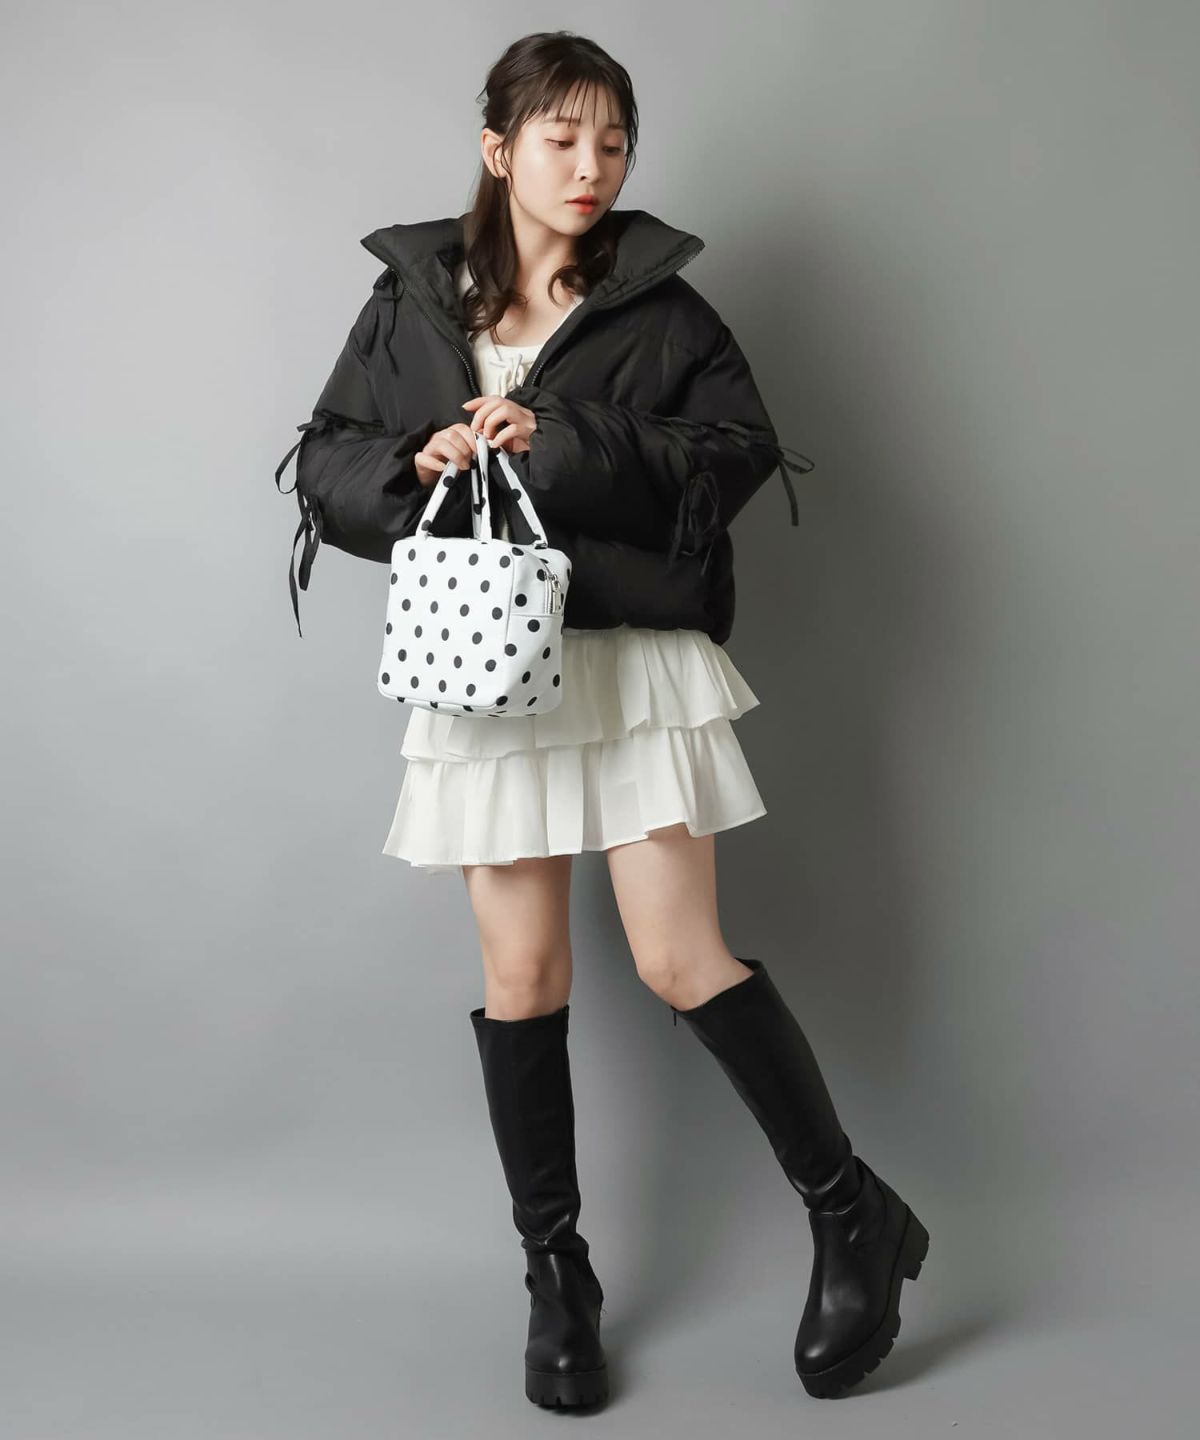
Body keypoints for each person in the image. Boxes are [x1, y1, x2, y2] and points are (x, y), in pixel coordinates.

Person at [275, 29, 928, 1414]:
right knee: (522, 979)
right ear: (498, 148)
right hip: (485, 668)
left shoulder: (664, 311)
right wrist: (416, 462)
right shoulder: (411, 300)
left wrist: (559, 441)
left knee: (682, 956)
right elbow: (326, 458)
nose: (591, 167)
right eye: (562, 138)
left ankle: (851, 1211)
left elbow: (734, 461)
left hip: (627, 662)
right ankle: (557, 1281)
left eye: (613, 142)